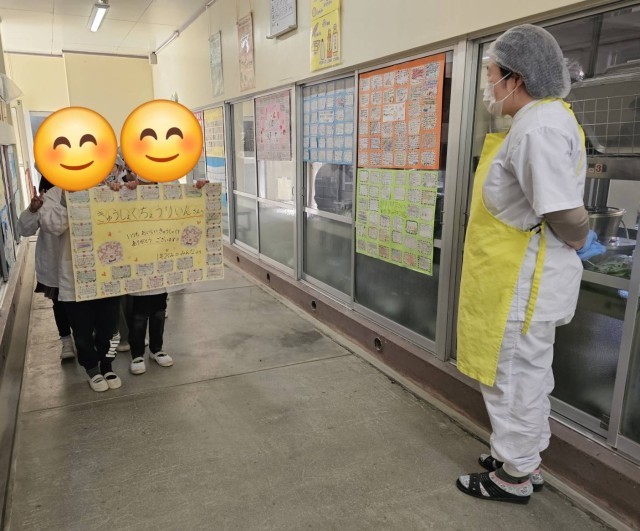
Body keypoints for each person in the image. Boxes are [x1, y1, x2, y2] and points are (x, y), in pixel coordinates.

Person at [455, 24, 605, 504]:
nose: (487, 84)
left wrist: (580, 239)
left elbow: (563, 211)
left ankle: (513, 476)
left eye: (491, 73)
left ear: (515, 78)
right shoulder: (542, 119)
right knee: (527, 376)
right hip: (519, 278)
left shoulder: (538, 127)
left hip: (521, 283)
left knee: (513, 380)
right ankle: (522, 459)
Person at [111, 176, 208, 375]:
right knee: (138, 315)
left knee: (158, 311)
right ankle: (137, 354)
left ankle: (157, 349)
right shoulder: (129, 190)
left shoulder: (169, 186)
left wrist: (198, 189)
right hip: (138, 261)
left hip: (162, 262)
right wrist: (121, 189)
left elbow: (186, 206)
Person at [38, 184, 122, 393]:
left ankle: (107, 365)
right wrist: (66, 200)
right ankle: (92, 369)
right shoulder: (54, 194)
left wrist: (129, 192)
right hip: (75, 279)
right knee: (82, 332)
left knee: (109, 328)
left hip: (107, 276)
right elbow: (51, 226)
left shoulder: (106, 188)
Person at [18, 175, 75, 360]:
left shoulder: (87, 190)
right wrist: (33, 210)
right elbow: (25, 230)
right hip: (54, 262)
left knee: (82, 304)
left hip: (80, 261)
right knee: (59, 303)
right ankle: (66, 340)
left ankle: (85, 337)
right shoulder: (47, 198)